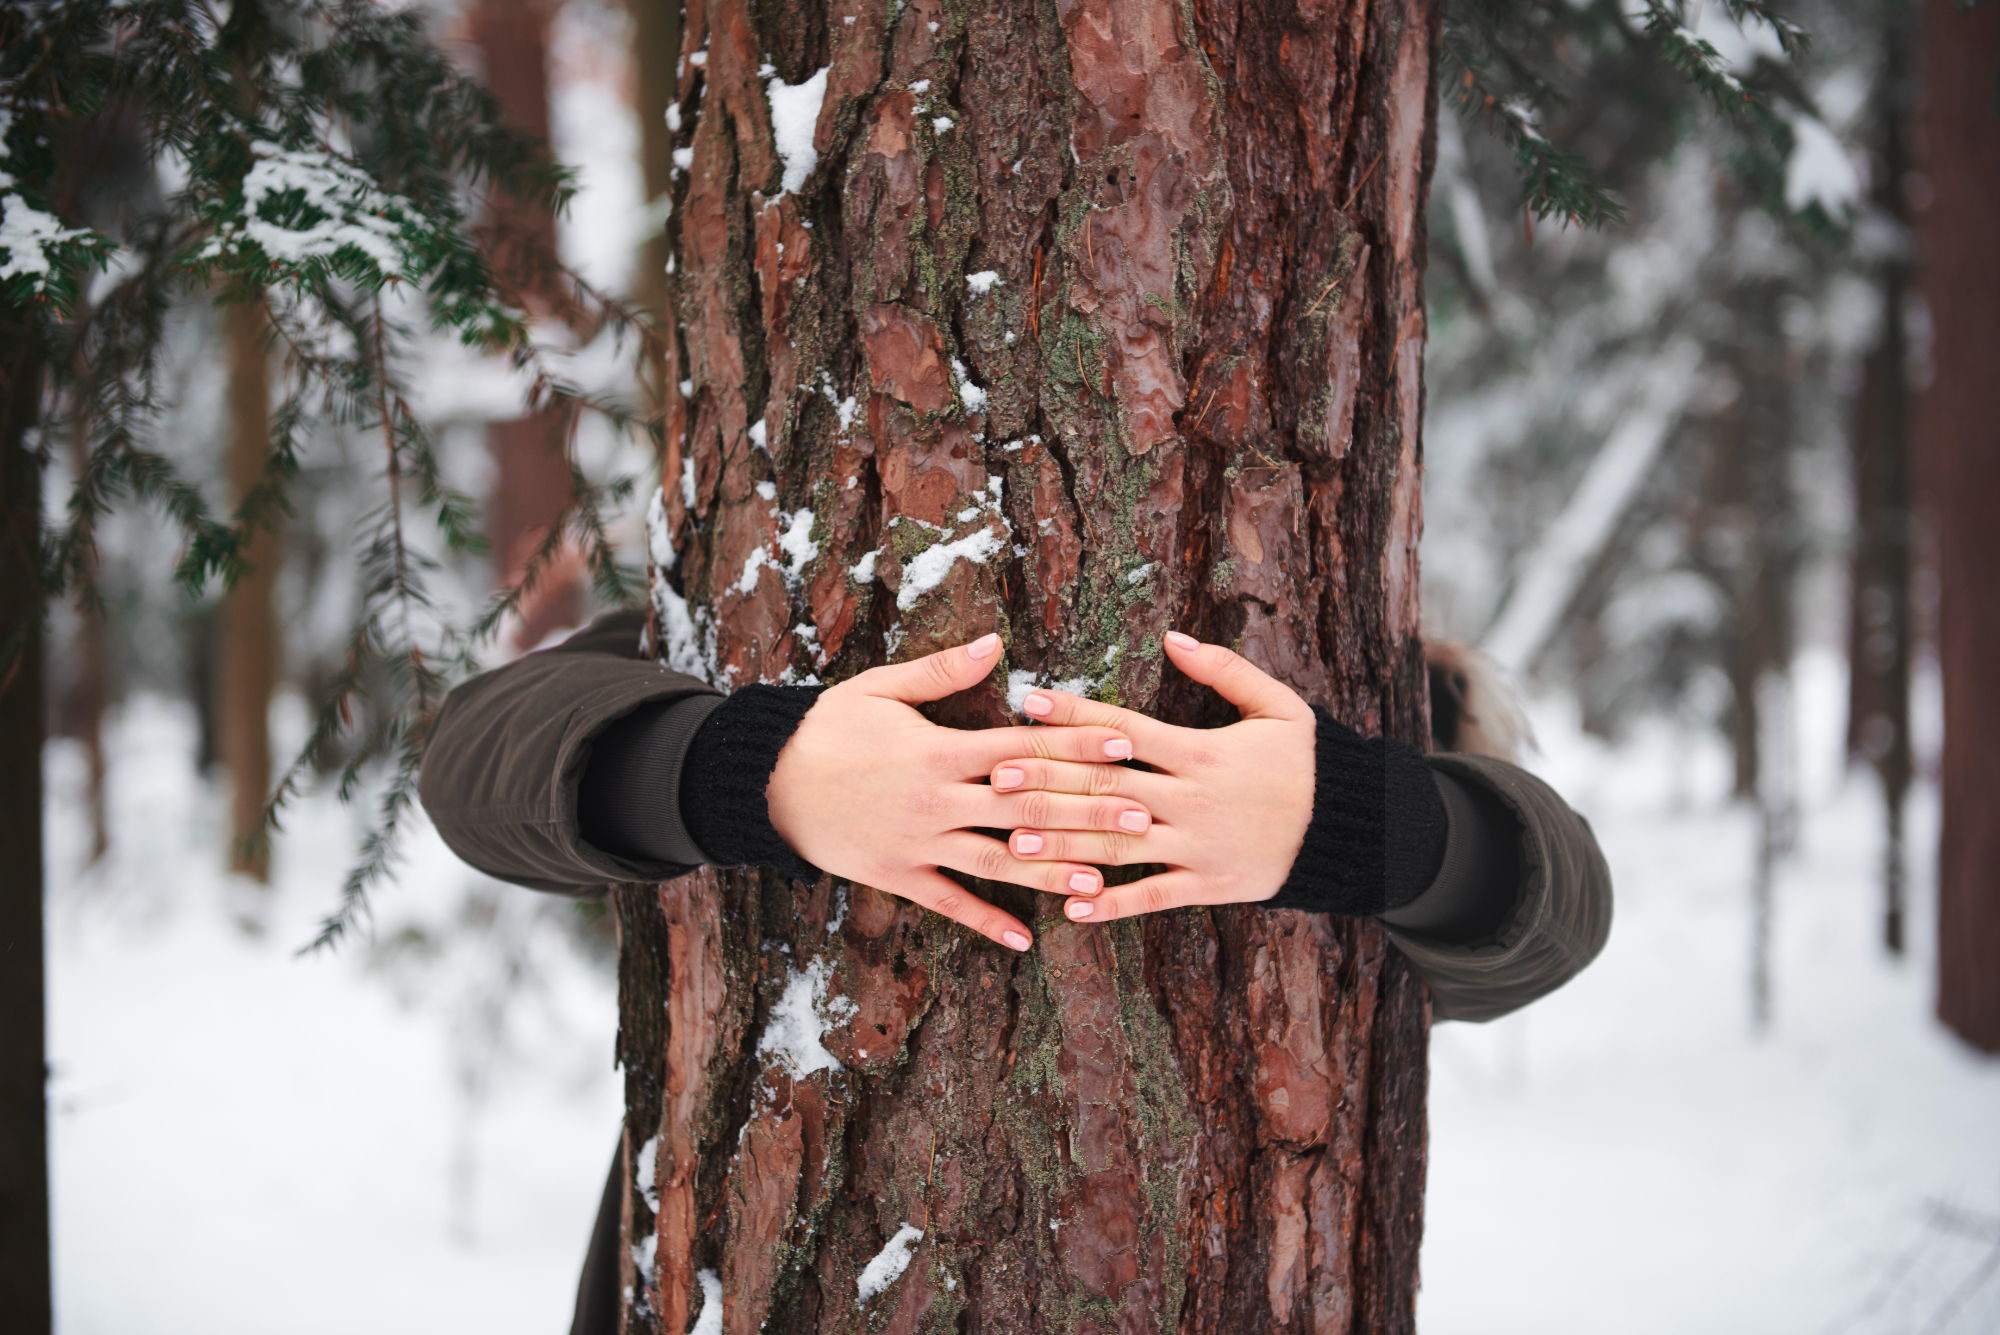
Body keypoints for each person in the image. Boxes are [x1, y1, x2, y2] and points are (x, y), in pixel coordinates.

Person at [417, 609, 1612, 1334]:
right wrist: (745, 769)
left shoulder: (1377, 680)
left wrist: (1366, 824)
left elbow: (1555, 915)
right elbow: (474, 769)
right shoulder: (726, 604)